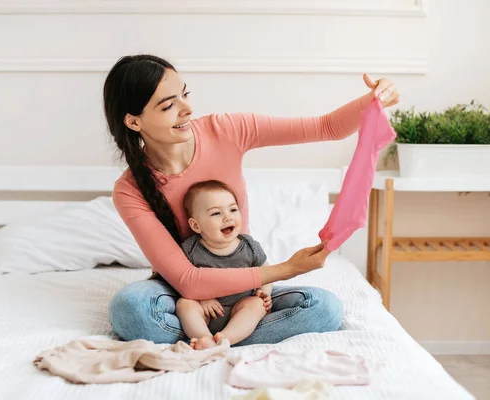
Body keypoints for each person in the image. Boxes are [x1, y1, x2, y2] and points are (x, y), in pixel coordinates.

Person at [103, 54, 400, 346]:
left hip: (245, 293)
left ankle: (214, 339)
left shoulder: (226, 130)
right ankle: (229, 335)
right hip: (184, 297)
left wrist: (374, 100)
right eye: (169, 105)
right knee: (131, 309)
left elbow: (326, 127)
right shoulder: (129, 190)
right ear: (133, 121)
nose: (187, 109)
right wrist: (287, 269)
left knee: (325, 307)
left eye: (185, 95)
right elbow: (187, 279)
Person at [176, 179, 272, 350]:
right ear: (196, 225)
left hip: (239, 308)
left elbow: (267, 271)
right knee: (184, 304)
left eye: (233, 209)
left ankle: (226, 338)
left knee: (257, 305)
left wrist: (264, 291)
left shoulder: (249, 246)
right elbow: (180, 280)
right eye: (216, 213)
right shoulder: (190, 249)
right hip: (205, 313)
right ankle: (204, 338)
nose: (228, 216)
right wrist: (200, 297)